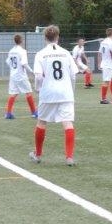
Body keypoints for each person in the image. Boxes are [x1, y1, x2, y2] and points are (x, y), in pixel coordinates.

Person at [29, 25, 77, 166]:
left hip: (48, 92)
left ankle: (38, 155)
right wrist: (71, 91)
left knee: (42, 122)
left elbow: (38, 76)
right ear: (58, 37)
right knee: (67, 122)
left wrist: (38, 89)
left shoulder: (41, 54)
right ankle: (69, 157)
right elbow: (73, 75)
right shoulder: (66, 53)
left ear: (45, 38)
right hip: (65, 92)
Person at [4, 34, 37, 119]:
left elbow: (8, 62)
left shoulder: (11, 51)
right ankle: (34, 112)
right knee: (28, 92)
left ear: (14, 41)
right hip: (21, 75)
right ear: (22, 41)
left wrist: (14, 68)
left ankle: (8, 113)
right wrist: (32, 72)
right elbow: (24, 63)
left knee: (13, 93)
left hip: (13, 76)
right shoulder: (22, 51)